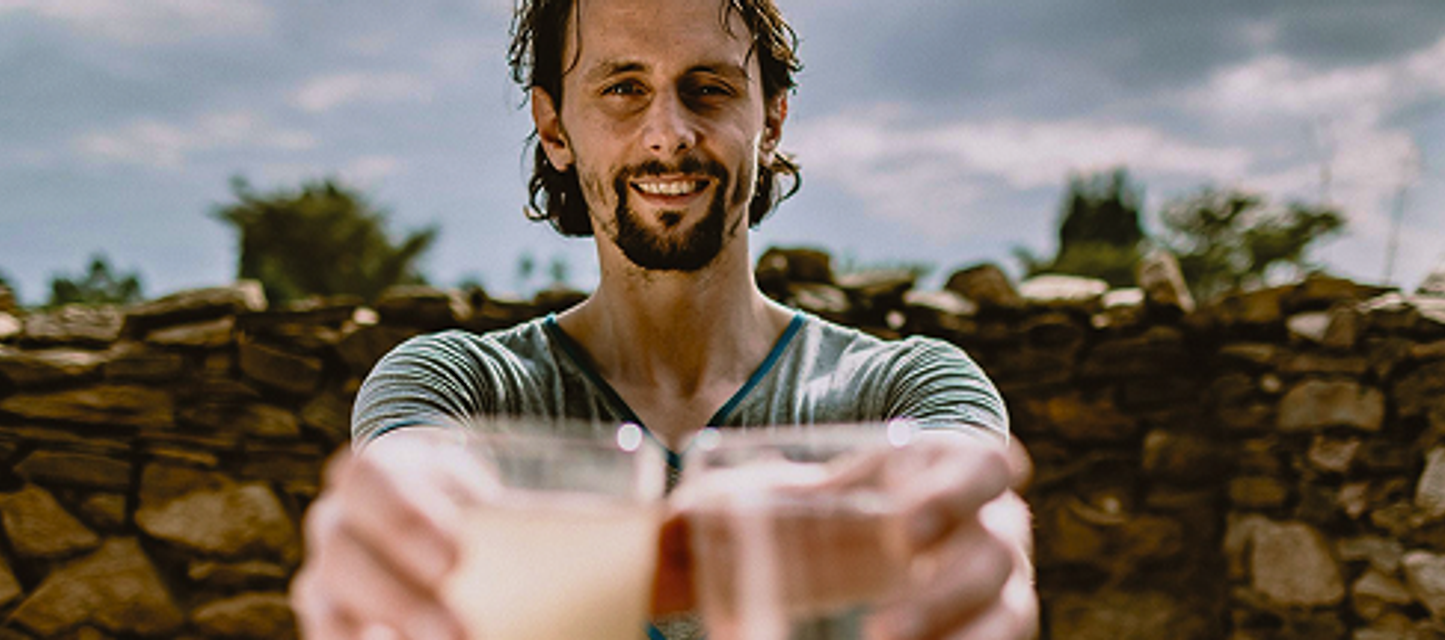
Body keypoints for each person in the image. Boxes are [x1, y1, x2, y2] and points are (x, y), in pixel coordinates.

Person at [290, 0, 1038, 638]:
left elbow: (960, 482)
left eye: (708, 88)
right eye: (622, 88)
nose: (668, 133)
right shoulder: (456, 387)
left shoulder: (907, 392)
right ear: (555, 129)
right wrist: (392, 514)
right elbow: (412, 465)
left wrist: (976, 540)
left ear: (771, 118)